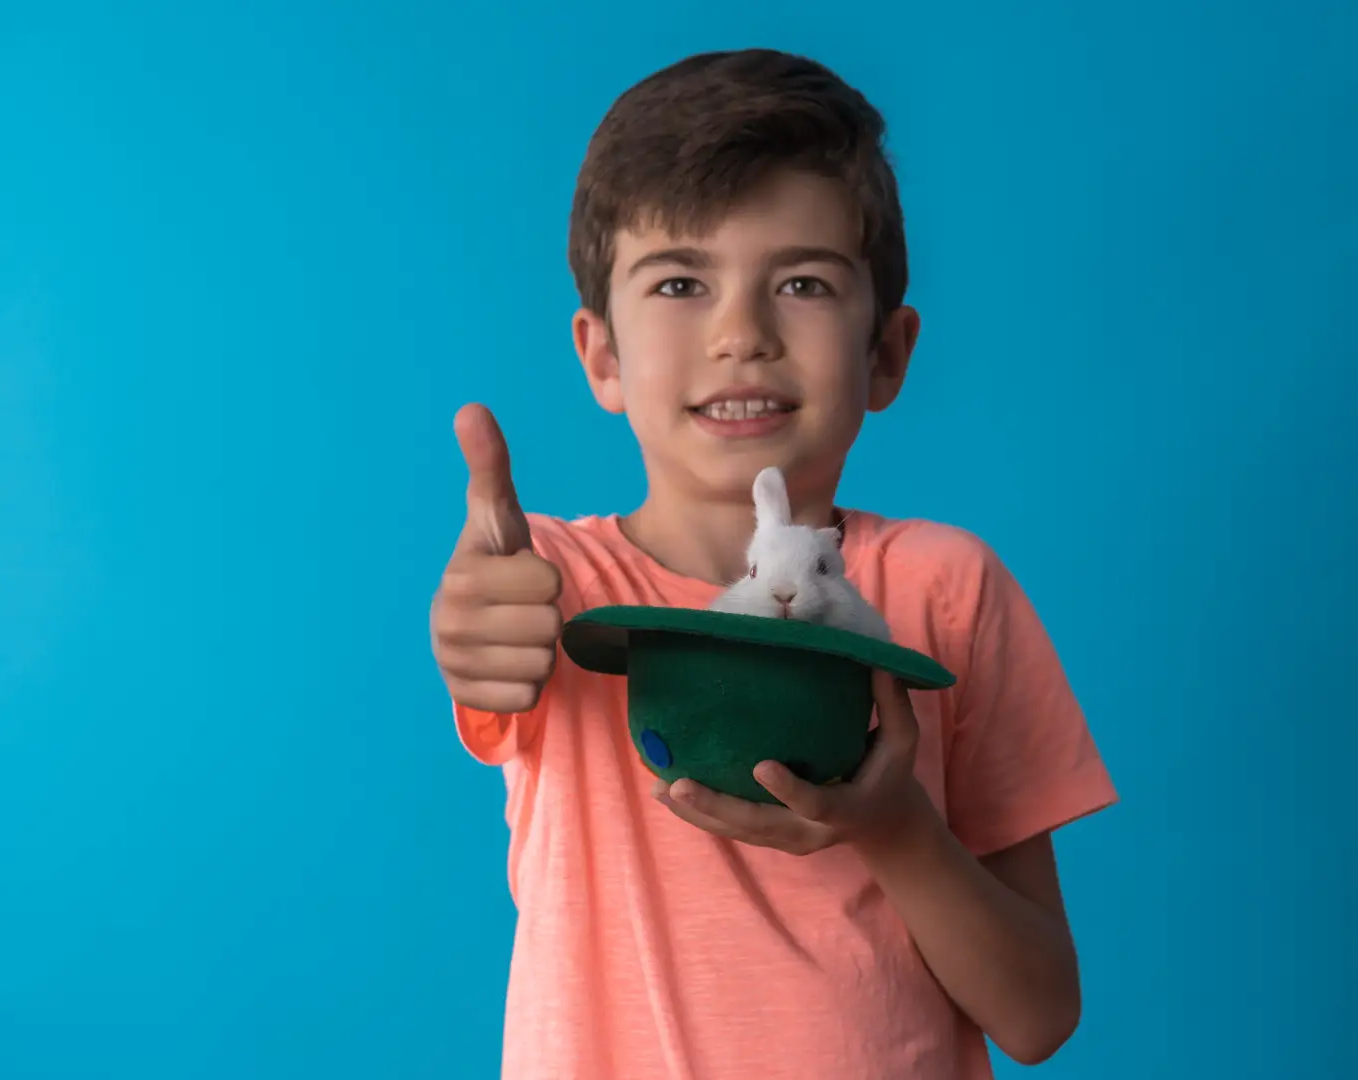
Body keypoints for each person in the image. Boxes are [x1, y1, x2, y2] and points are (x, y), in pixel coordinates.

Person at [429, 47, 1118, 1080]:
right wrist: (473, 625)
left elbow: (1038, 1014)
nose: (741, 334)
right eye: (679, 282)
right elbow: (489, 632)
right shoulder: (555, 586)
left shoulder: (949, 589)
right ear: (601, 354)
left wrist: (898, 832)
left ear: (886, 352)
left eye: (799, 282)